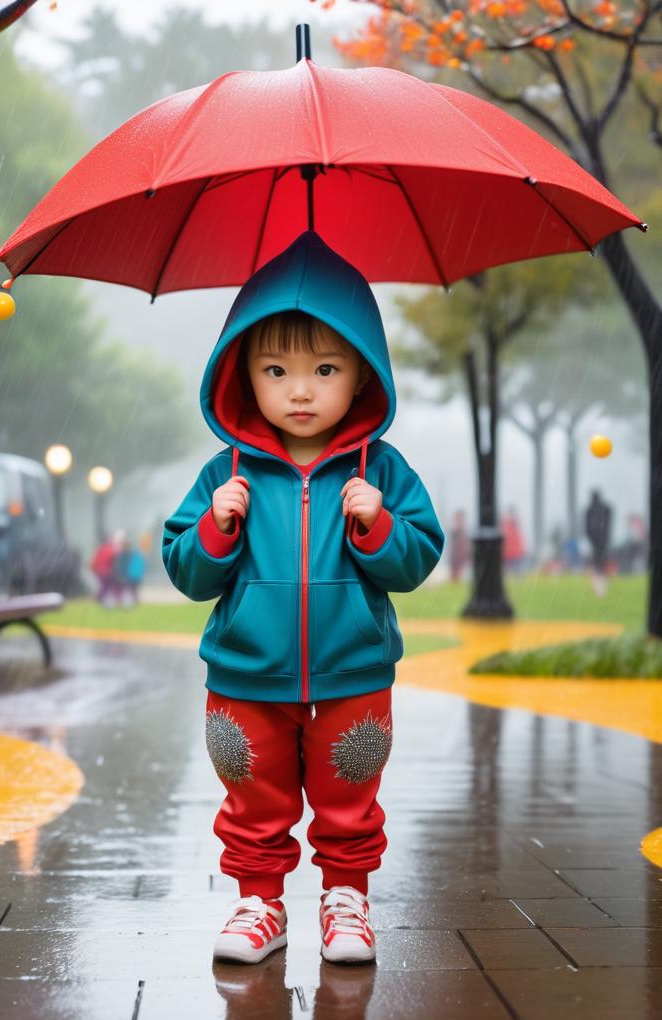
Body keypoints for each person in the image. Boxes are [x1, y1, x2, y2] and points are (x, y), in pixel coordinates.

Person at [162, 232, 444, 967]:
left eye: (326, 369)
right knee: (254, 796)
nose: (300, 389)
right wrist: (216, 529)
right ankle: (260, 903)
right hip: (246, 675)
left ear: (363, 375)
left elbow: (418, 556)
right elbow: (185, 569)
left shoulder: (381, 469)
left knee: (350, 794)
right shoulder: (226, 471)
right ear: (243, 376)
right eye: (275, 369)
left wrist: (377, 524)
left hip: (353, 670)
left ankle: (346, 898)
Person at [584, 489, 613, 596]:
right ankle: (600, 586)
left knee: (599, 562)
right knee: (599, 562)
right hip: (598, 541)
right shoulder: (601, 509)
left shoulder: (592, 510)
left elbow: (587, 527)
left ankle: (600, 586)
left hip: (598, 541)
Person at [90, 530, 125, 607]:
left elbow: (94, 561)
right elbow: (115, 561)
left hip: (102, 572)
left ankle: (101, 599)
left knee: (105, 586)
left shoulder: (102, 549)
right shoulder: (110, 550)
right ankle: (104, 599)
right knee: (108, 586)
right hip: (107, 572)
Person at [114, 534, 146, 606]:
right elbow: (119, 566)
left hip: (130, 576)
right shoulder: (125, 555)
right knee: (126, 590)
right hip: (126, 576)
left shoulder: (130, 555)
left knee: (132, 590)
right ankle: (124, 603)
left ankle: (134, 603)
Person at [500, 507, 526, 574]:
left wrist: (522, 551)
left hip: (517, 554)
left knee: (517, 574)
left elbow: (520, 540)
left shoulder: (516, 524)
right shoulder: (503, 525)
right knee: (507, 574)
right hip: (506, 555)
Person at [449, 508, 470, 582]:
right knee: (455, 573)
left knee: (461, 572)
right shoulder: (455, 530)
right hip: (455, 555)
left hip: (462, 555)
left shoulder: (464, 531)